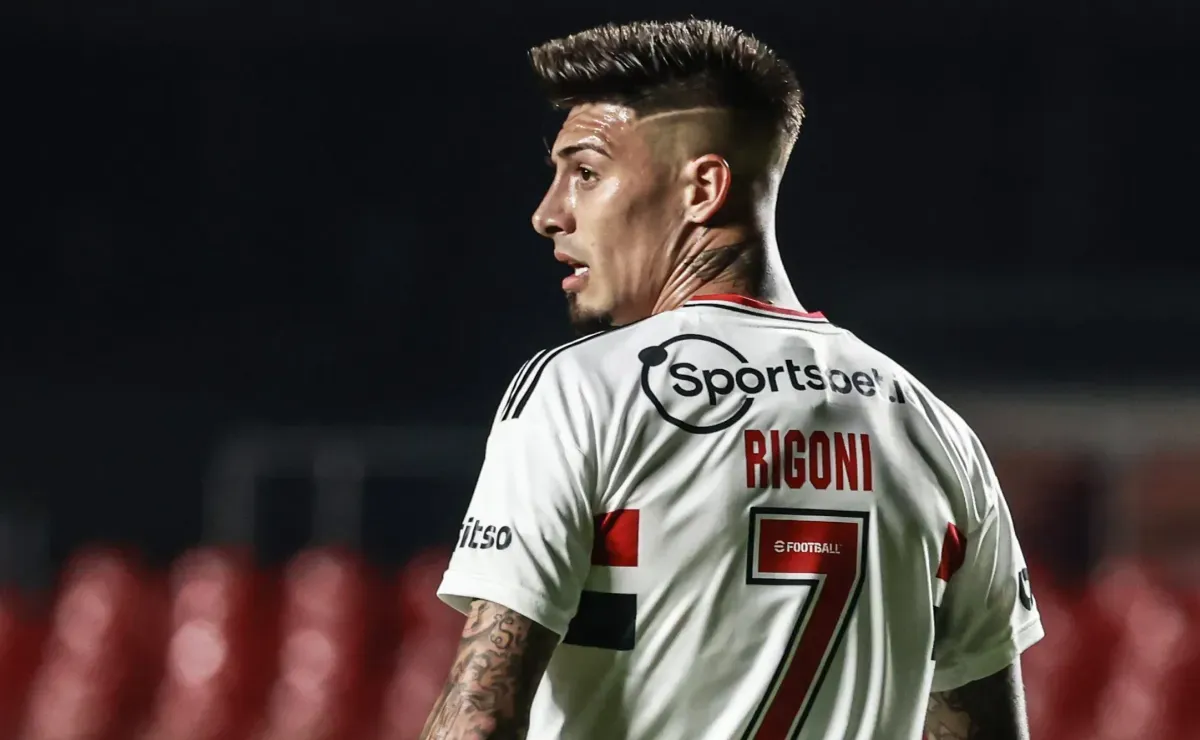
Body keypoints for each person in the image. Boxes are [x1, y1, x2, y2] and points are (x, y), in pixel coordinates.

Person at [421, 18, 1043, 740]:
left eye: (584, 172)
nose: (548, 213)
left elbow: (479, 717)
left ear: (703, 188)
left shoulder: (580, 389)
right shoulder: (937, 429)